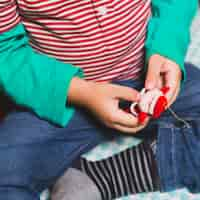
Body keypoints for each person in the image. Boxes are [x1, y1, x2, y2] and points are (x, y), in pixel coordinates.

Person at [0, 0, 198, 200]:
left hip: (148, 79)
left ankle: (101, 178)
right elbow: (6, 51)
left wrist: (168, 46)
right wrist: (80, 92)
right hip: (63, 97)